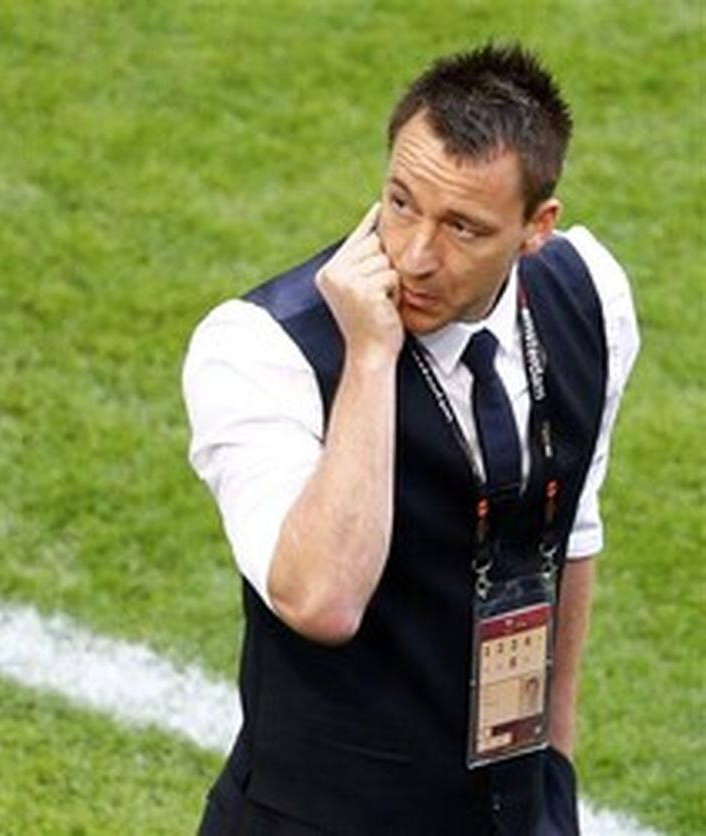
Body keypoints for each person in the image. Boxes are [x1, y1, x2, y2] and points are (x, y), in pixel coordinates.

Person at [182, 43, 639, 835]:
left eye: (463, 227)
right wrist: (370, 357)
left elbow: (569, 536)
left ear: (536, 228)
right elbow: (322, 599)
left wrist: (553, 773)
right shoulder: (261, 347)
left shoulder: (591, 296)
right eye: (401, 203)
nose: (416, 256)